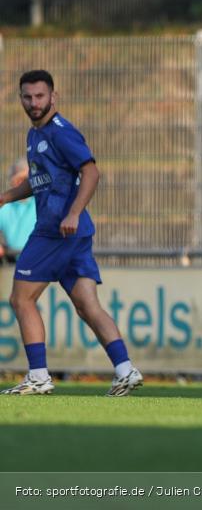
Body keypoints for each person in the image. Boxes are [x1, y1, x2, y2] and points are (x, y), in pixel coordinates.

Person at [0, 70, 142, 396]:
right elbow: (38, 181)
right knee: (87, 305)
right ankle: (125, 370)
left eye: (40, 96)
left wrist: (74, 212)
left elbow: (91, 171)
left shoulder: (61, 133)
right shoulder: (35, 134)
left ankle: (38, 376)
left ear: (54, 97)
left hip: (56, 231)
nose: (34, 103)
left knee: (21, 299)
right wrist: (7, 196)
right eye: (27, 97)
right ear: (20, 98)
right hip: (73, 234)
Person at [0, 158, 36, 262]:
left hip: (38, 258)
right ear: (11, 180)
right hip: (10, 259)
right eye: (19, 179)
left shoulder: (41, 202)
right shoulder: (4, 206)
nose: (22, 184)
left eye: (26, 180)